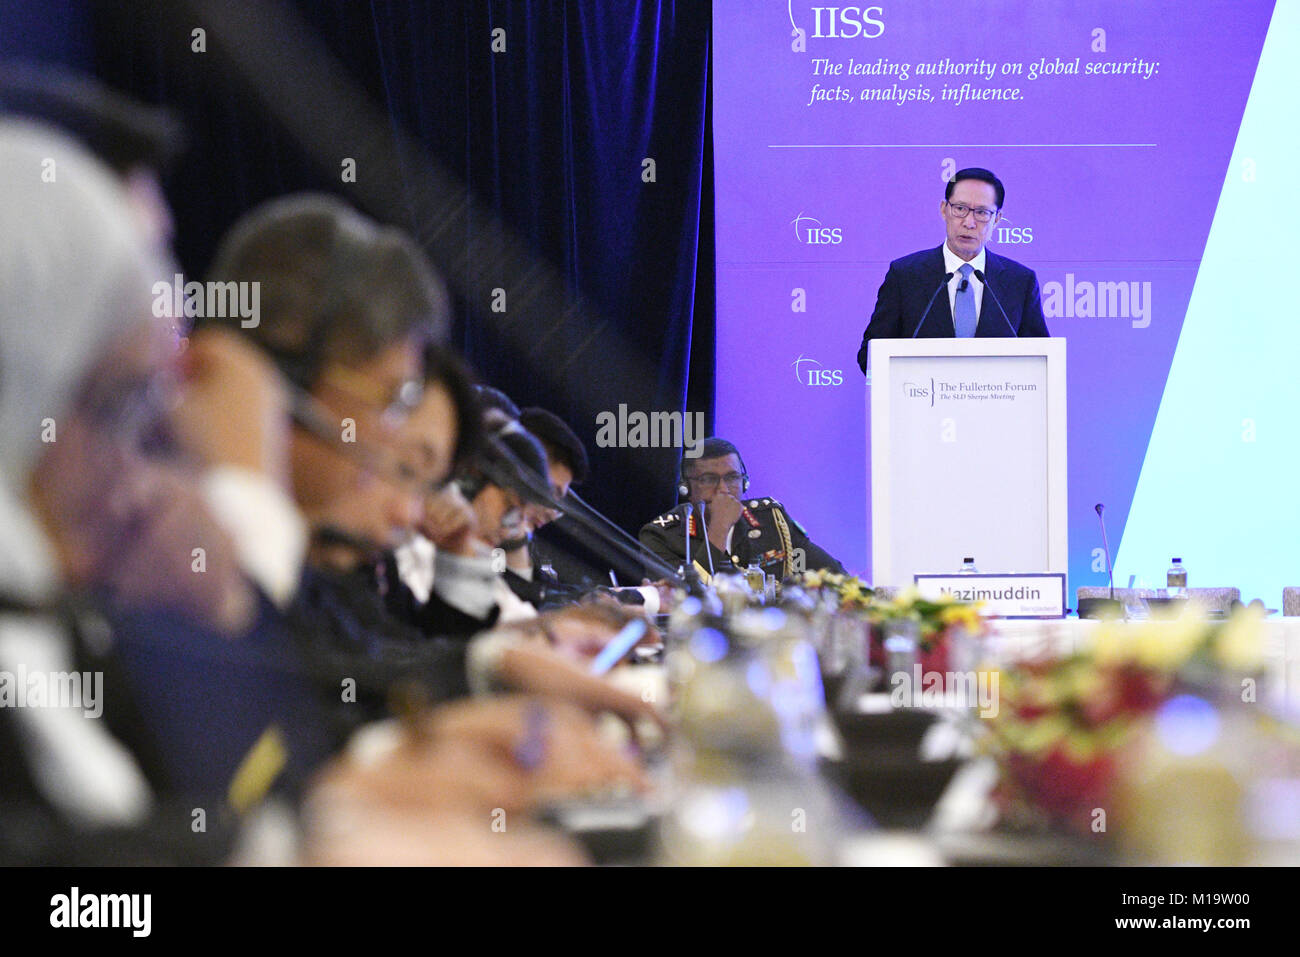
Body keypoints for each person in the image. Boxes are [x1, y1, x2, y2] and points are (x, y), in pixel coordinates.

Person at [856, 167, 1049, 373]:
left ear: (997, 219)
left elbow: (1040, 361)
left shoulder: (1020, 281)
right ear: (944, 209)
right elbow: (870, 355)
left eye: (982, 213)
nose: (969, 222)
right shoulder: (905, 275)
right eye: (960, 209)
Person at [639, 437, 844, 579]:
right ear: (687, 488)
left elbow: (835, 577)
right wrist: (719, 529)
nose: (724, 490)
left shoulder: (772, 520)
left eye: (732, 478)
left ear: (744, 482)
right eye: (709, 479)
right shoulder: (661, 536)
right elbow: (682, 598)